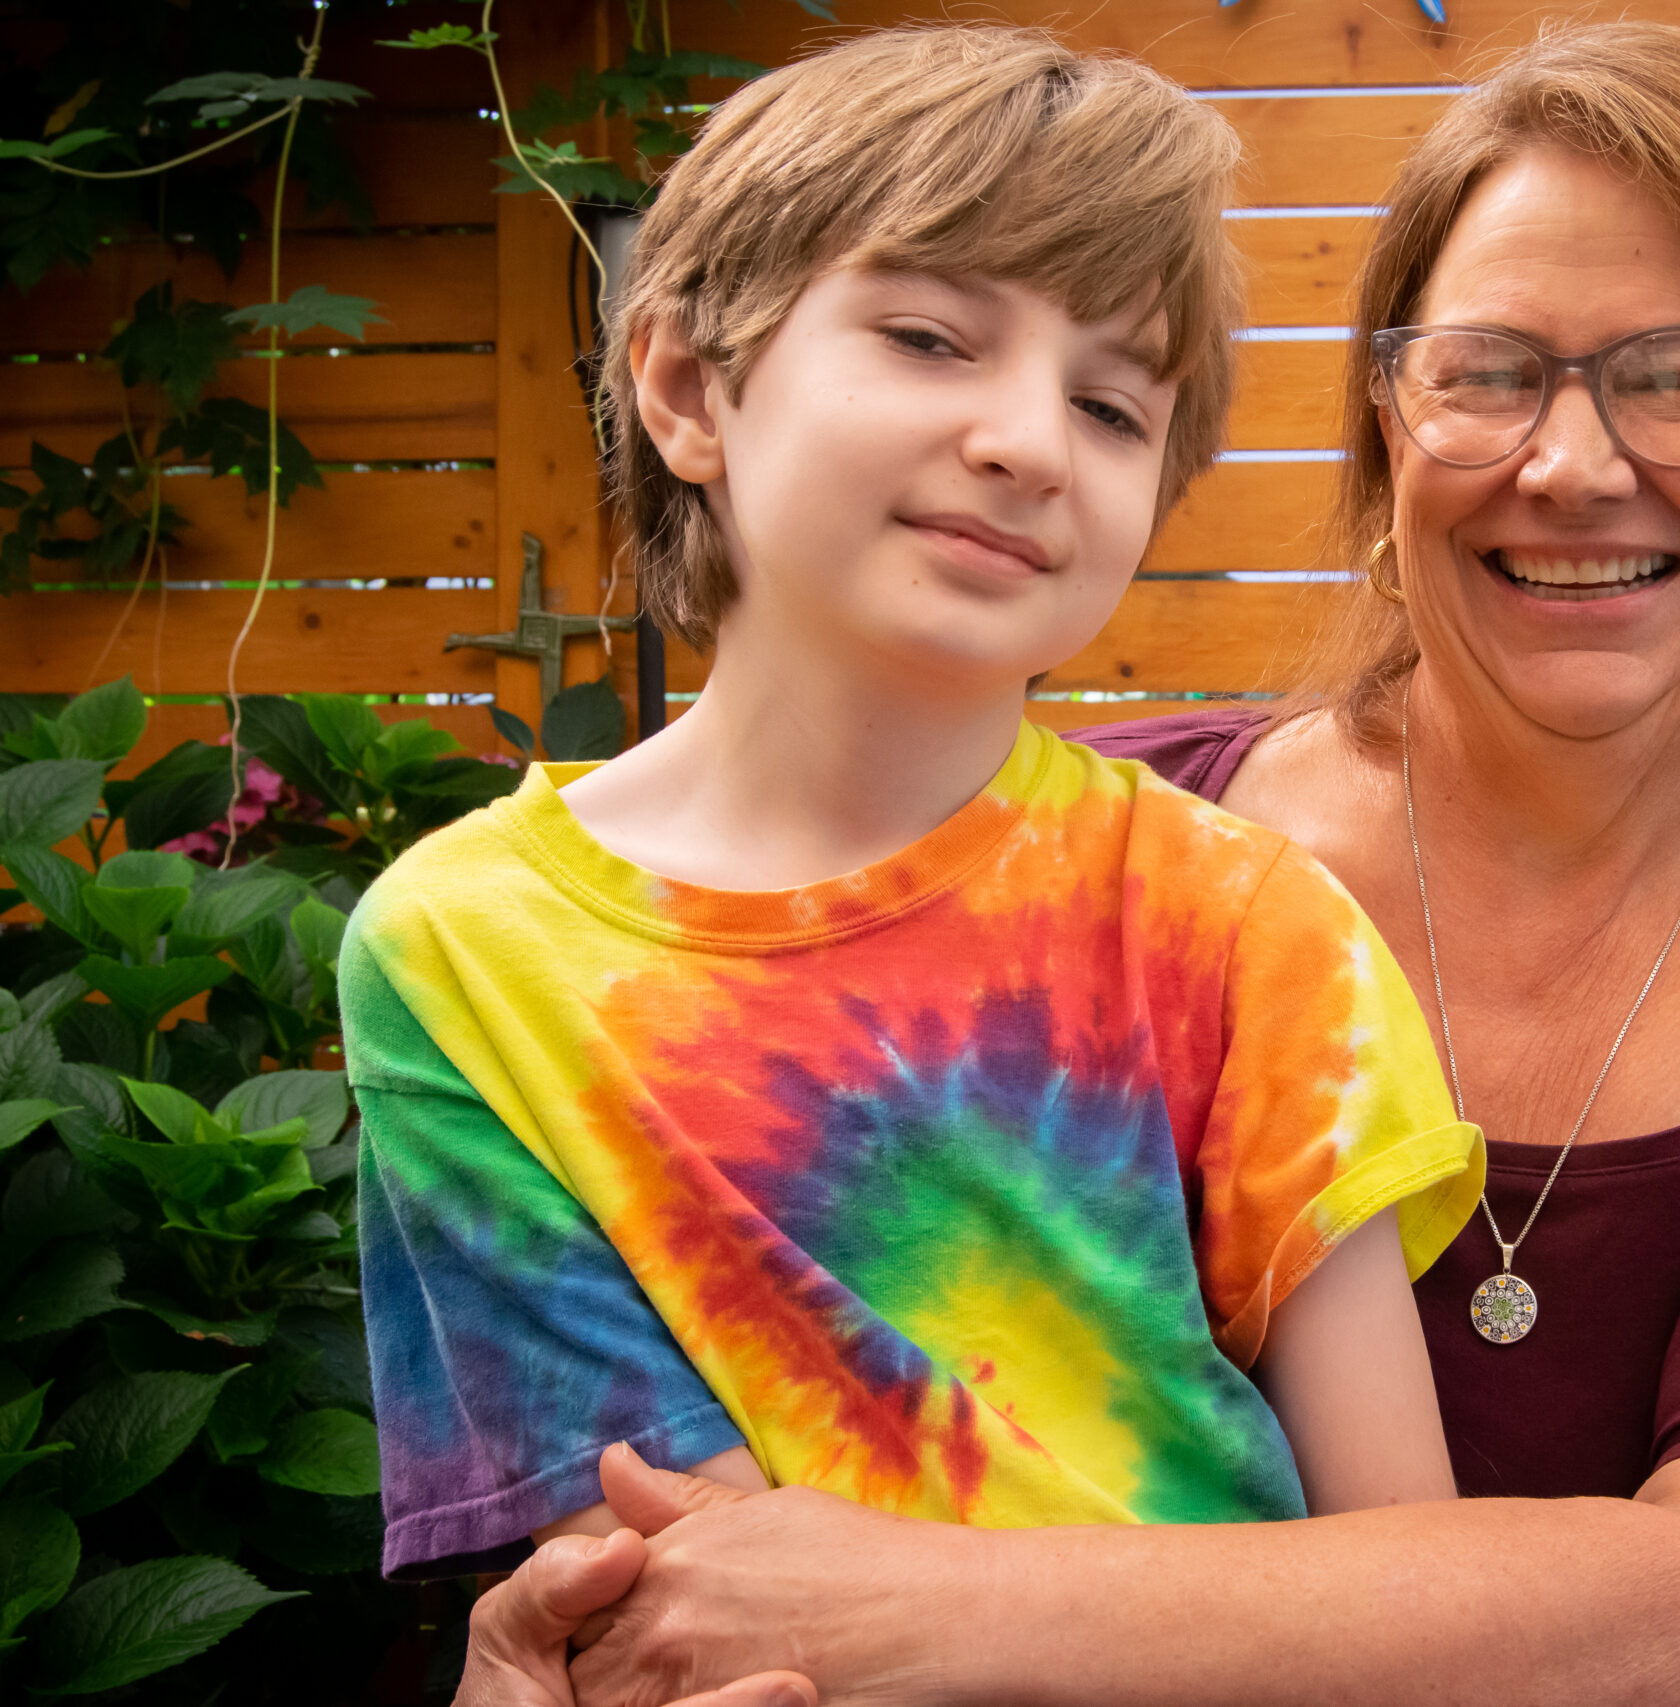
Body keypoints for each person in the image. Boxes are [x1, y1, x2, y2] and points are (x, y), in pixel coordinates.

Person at [465, 21, 1680, 1707]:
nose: (1577, 465)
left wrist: (924, 1614)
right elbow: (715, 1517)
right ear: (1388, 445)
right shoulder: (1048, 863)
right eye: (1490, 371)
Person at [343, 21, 1486, 1604]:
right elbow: (667, 1578)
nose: (1024, 443)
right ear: (685, 387)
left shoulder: (1245, 926)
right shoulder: (458, 952)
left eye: (1112, 408)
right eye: (933, 339)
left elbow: (1399, 1585)